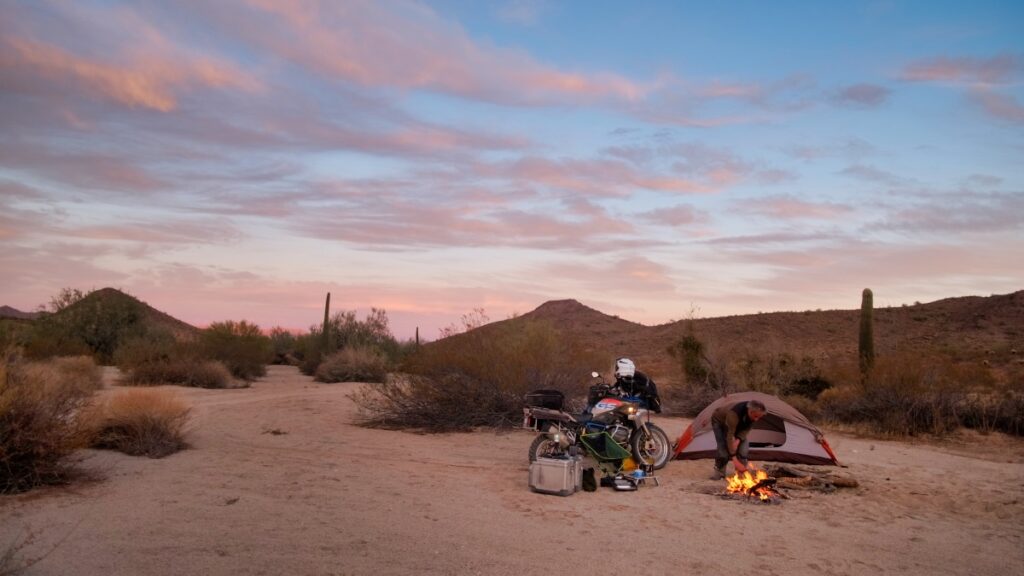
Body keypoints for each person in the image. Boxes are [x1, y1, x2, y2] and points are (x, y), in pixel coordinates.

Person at [710, 399, 767, 479]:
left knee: (743, 449)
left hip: (736, 425)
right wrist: (734, 459)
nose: (756, 419)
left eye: (759, 418)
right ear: (750, 411)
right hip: (719, 422)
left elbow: (746, 429)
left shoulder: (754, 414)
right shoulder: (734, 414)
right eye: (755, 417)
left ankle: (740, 473)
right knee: (723, 449)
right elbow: (729, 436)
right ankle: (719, 473)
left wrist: (738, 439)